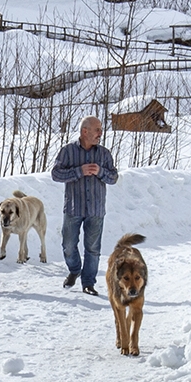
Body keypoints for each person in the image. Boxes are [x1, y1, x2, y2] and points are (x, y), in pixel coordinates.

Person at [51, 115, 119, 295]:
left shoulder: (104, 154)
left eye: (101, 130)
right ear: (84, 131)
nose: (100, 133)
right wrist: (78, 171)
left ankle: (88, 283)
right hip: (74, 207)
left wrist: (100, 172)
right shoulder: (67, 151)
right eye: (97, 130)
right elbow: (56, 174)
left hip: (96, 209)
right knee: (68, 245)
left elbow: (114, 177)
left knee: (93, 249)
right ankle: (74, 270)